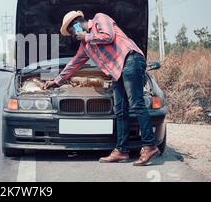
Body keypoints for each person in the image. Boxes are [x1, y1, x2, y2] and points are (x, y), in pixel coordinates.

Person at [44, 11, 160, 166]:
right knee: (120, 110)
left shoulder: (100, 18)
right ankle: (122, 150)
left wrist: (87, 36)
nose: (73, 35)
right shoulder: (85, 46)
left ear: (76, 24)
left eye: (72, 31)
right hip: (117, 71)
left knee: (137, 104)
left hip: (130, 59)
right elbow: (74, 63)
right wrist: (57, 81)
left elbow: (108, 36)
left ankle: (150, 146)